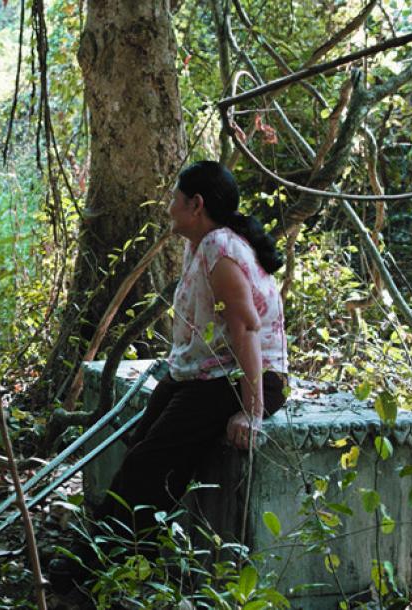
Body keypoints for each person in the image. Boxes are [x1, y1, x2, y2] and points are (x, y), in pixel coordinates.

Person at [53, 160, 288, 582]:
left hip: (245, 379)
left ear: (195, 205)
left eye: (175, 198)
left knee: (152, 461)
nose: (169, 206)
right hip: (206, 374)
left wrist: (251, 410)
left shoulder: (220, 248)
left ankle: (94, 564)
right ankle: (108, 546)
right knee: (141, 443)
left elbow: (248, 328)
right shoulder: (202, 243)